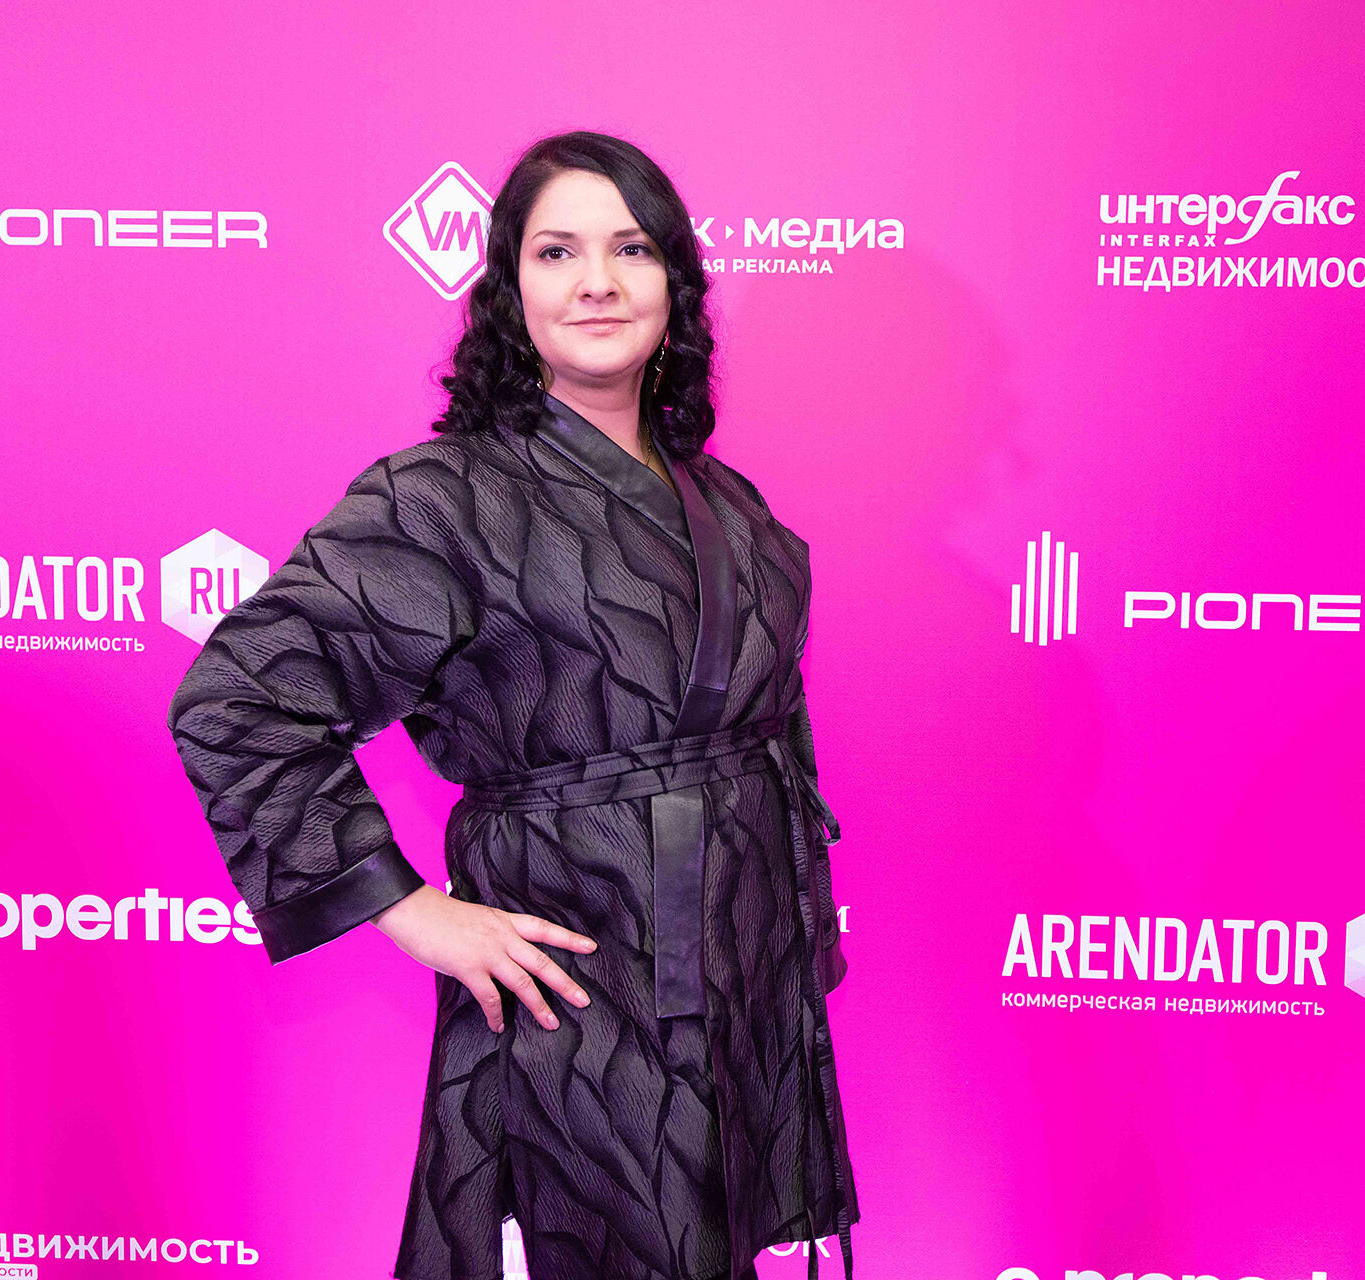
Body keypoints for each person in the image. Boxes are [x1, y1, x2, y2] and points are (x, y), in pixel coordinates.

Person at [167, 130, 857, 1280]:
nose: (597, 281)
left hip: (741, 962)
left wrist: (797, 915)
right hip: (581, 976)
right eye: (557, 251)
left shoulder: (728, 499)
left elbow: (770, 717)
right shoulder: (444, 498)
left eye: (631, 249)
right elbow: (240, 695)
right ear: (510, 287)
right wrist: (407, 907)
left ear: (675, 284)